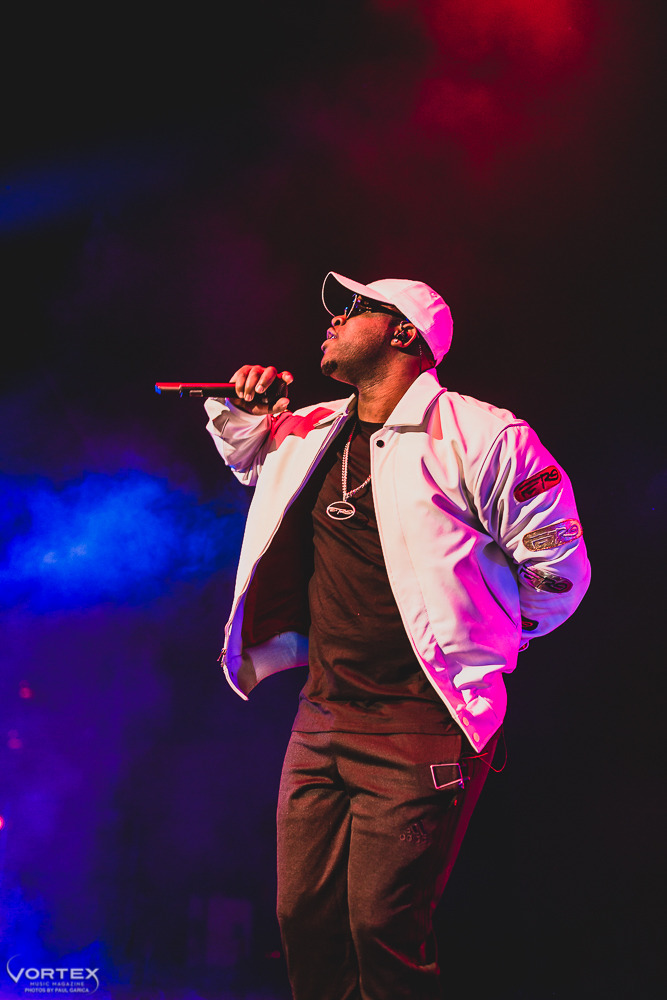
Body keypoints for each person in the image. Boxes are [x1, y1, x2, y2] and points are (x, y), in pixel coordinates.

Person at [204, 271, 591, 1000]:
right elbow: (251, 459)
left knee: (381, 930)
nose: (332, 320)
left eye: (352, 310)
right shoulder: (312, 429)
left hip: (421, 723)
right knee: (303, 920)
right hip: (323, 715)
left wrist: (486, 640)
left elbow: (559, 569)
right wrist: (240, 406)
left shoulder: (482, 434)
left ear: (402, 332)